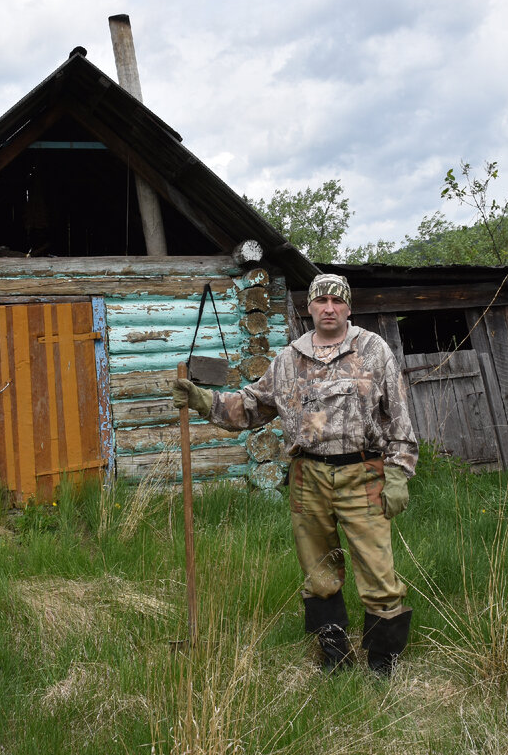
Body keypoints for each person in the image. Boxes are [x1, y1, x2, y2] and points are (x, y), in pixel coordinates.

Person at [172, 273, 418, 676]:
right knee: (319, 573)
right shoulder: (288, 359)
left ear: (348, 308)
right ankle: (334, 656)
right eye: (321, 300)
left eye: (337, 302)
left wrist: (398, 470)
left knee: (378, 573)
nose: (329, 308)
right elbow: (251, 406)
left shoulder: (374, 350)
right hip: (308, 477)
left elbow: (399, 415)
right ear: (310, 307)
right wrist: (204, 401)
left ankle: (381, 662)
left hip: (364, 473)